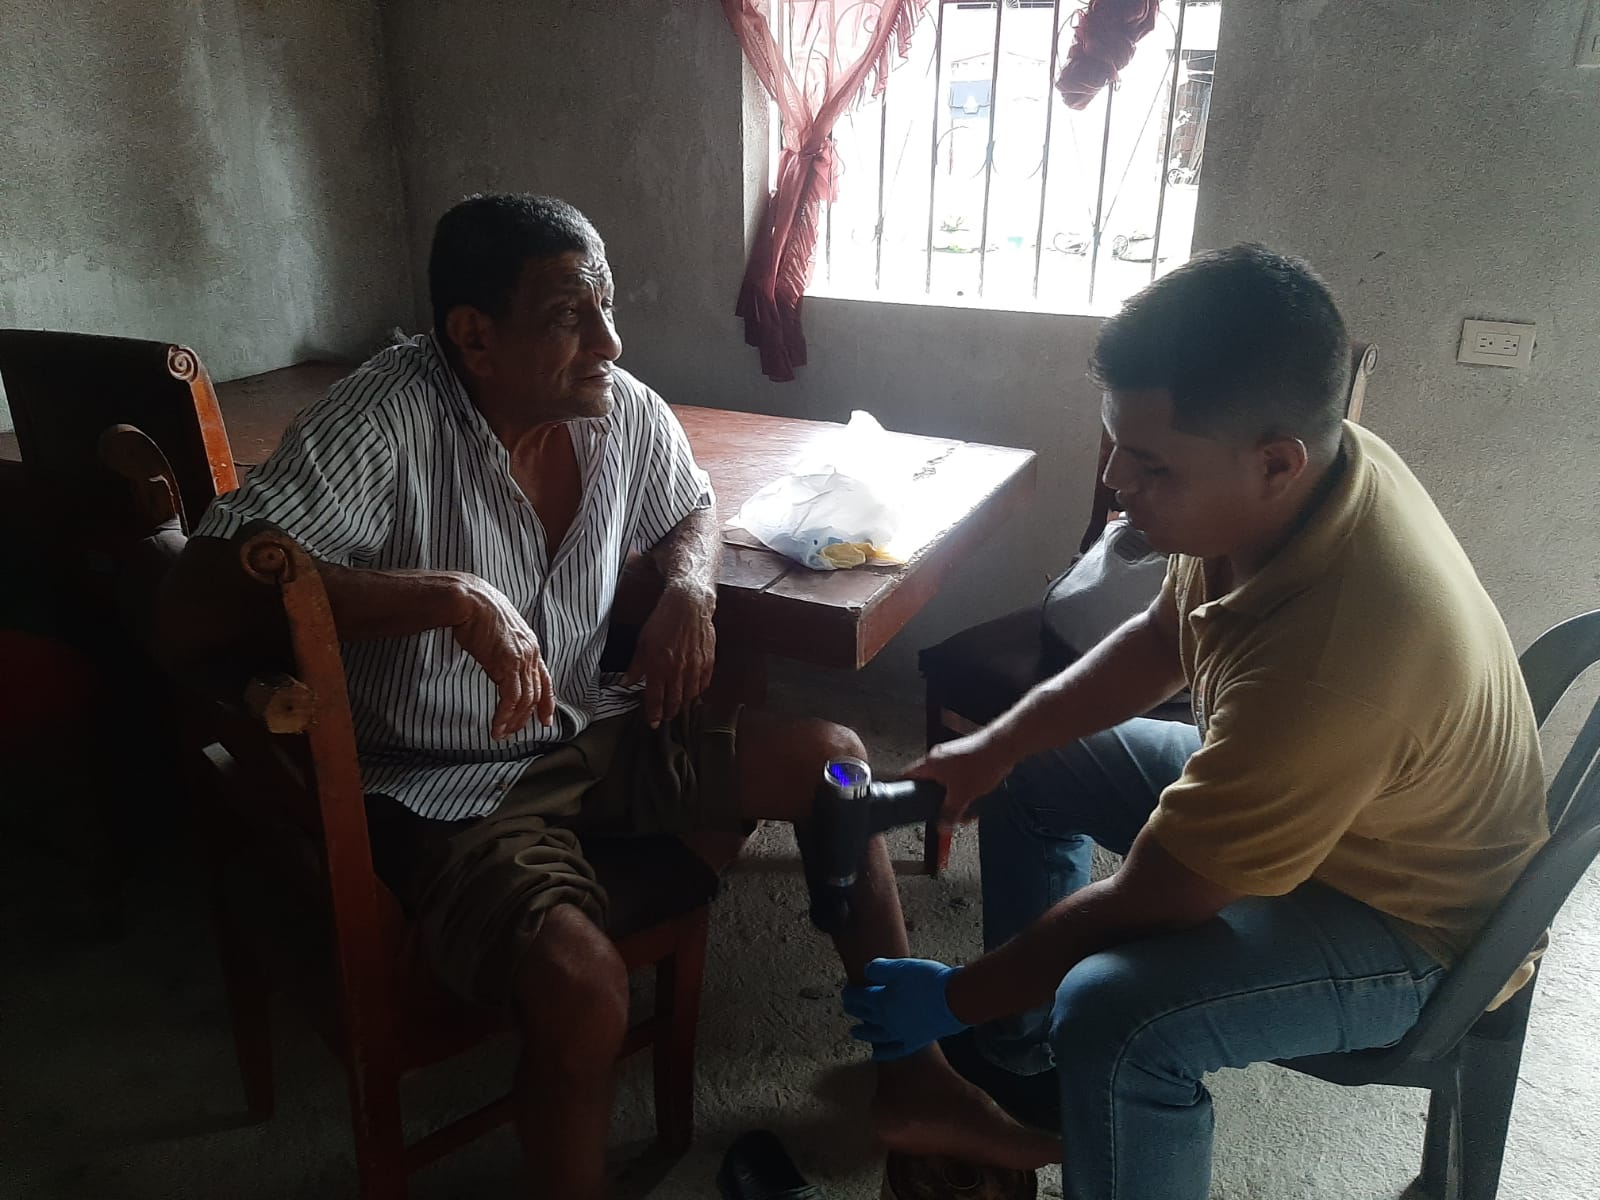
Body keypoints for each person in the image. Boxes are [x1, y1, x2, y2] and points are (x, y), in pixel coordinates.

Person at [158, 193, 1057, 1199]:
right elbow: (197, 595)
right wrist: (446, 597)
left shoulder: (615, 404)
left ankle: (913, 1077)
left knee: (837, 765)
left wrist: (688, 590)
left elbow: (691, 506)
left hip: (591, 725)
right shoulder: (386, 417)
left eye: (607, 306)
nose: (610, 341)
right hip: (440, 786)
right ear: (475, 337)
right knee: (584, 989)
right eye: (568, 316)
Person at [843, 245, 1549, 1199]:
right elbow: (1159, 639)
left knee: (1115, 1016)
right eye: (1116, 446)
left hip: (1415, 922)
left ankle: (1047, 1046)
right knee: (1032, 763)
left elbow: (1157, 896)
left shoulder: (1337, 658)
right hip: (1337, 806)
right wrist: (994, 745)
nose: (1115, 483)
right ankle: (1020, 1059)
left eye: (1150, 465)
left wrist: (958, 993)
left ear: (1275, 463)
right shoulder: (1293, 483)